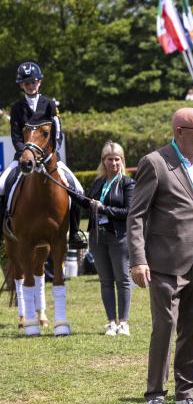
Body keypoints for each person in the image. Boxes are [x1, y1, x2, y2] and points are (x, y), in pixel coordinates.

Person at [127, 107, 193, 404]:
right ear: (178, 131)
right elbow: (137, 216)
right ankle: (155, 397)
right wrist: (137, 259)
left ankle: (186, 394)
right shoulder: (155, 163)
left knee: (192, 328)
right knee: (165, 327)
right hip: (163, 263)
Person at [0, 61, 86, 251]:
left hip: (49, 159)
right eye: (27, 83)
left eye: (34, 82)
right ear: (21, 85)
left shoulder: (49, 104)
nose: (31, 85)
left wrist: (51, 154)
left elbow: (58, 130)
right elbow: (16, 135)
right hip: (24, 159)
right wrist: (25, 152)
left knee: (77, 189)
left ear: (39, 82)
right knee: (1, 185)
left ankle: (74, 234)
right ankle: (3, 229)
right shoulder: (17, 108)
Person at [73, 142, 136, 336]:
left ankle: (123, 323)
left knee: (123, 280)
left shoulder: (127, 183)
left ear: (122, 161)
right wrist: (72, 192)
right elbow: (88, 204)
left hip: (119, 237)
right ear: (104, 161)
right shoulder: (99, 182)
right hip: (97, 237)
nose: (114, 163)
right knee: (105, 281)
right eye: (110, 159)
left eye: (117, 159)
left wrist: (104, 209)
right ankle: (111, 322)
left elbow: (128, 211)